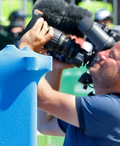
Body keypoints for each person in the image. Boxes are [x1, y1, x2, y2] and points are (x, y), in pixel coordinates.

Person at [19, 16, 120, 144]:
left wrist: (26, 49)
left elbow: (43, 98)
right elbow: (44, 124)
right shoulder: (98, 115)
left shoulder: (111, 109)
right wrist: (56, 69)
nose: (101, 54)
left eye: (111, 55)